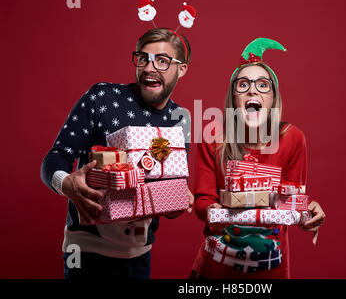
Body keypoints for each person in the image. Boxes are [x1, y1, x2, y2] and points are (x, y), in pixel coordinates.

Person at [41, 28, 194, 279]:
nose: (149, 68)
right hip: (86, 250)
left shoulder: (182, 119)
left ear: (182, 69)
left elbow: (169, 197)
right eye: (143, 58)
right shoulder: (102, 97)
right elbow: (56, 156)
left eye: (162, 60)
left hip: (139, 255)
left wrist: (178, 198)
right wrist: (65, 183)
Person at [190, 38, 325, 279]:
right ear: (233, 99)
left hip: (271, 272)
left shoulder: (293, 138)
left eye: (263, 85)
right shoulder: (212, 137)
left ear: (274, 98)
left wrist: (308, 209)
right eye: (243, 85)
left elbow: (292, 198)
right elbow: (202, 200)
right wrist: (216, 212)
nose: (253, 90)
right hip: (214, 271)